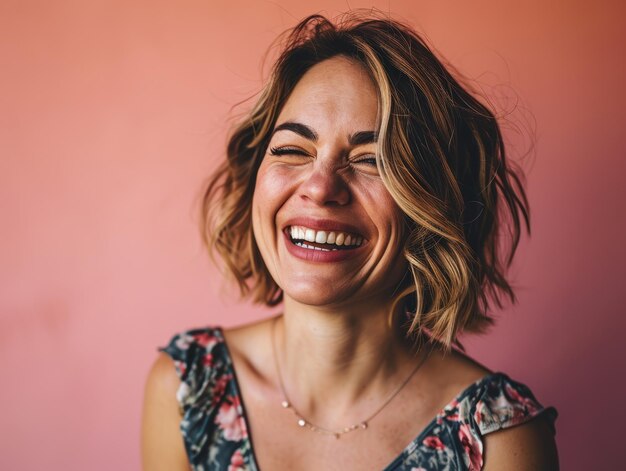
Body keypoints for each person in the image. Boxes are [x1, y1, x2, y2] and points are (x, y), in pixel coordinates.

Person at [141, 12, 559, 471]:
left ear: (434, 204)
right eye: (291, 150)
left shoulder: (501, 438)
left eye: (370, 160)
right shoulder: (188, 388)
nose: (320, 188)